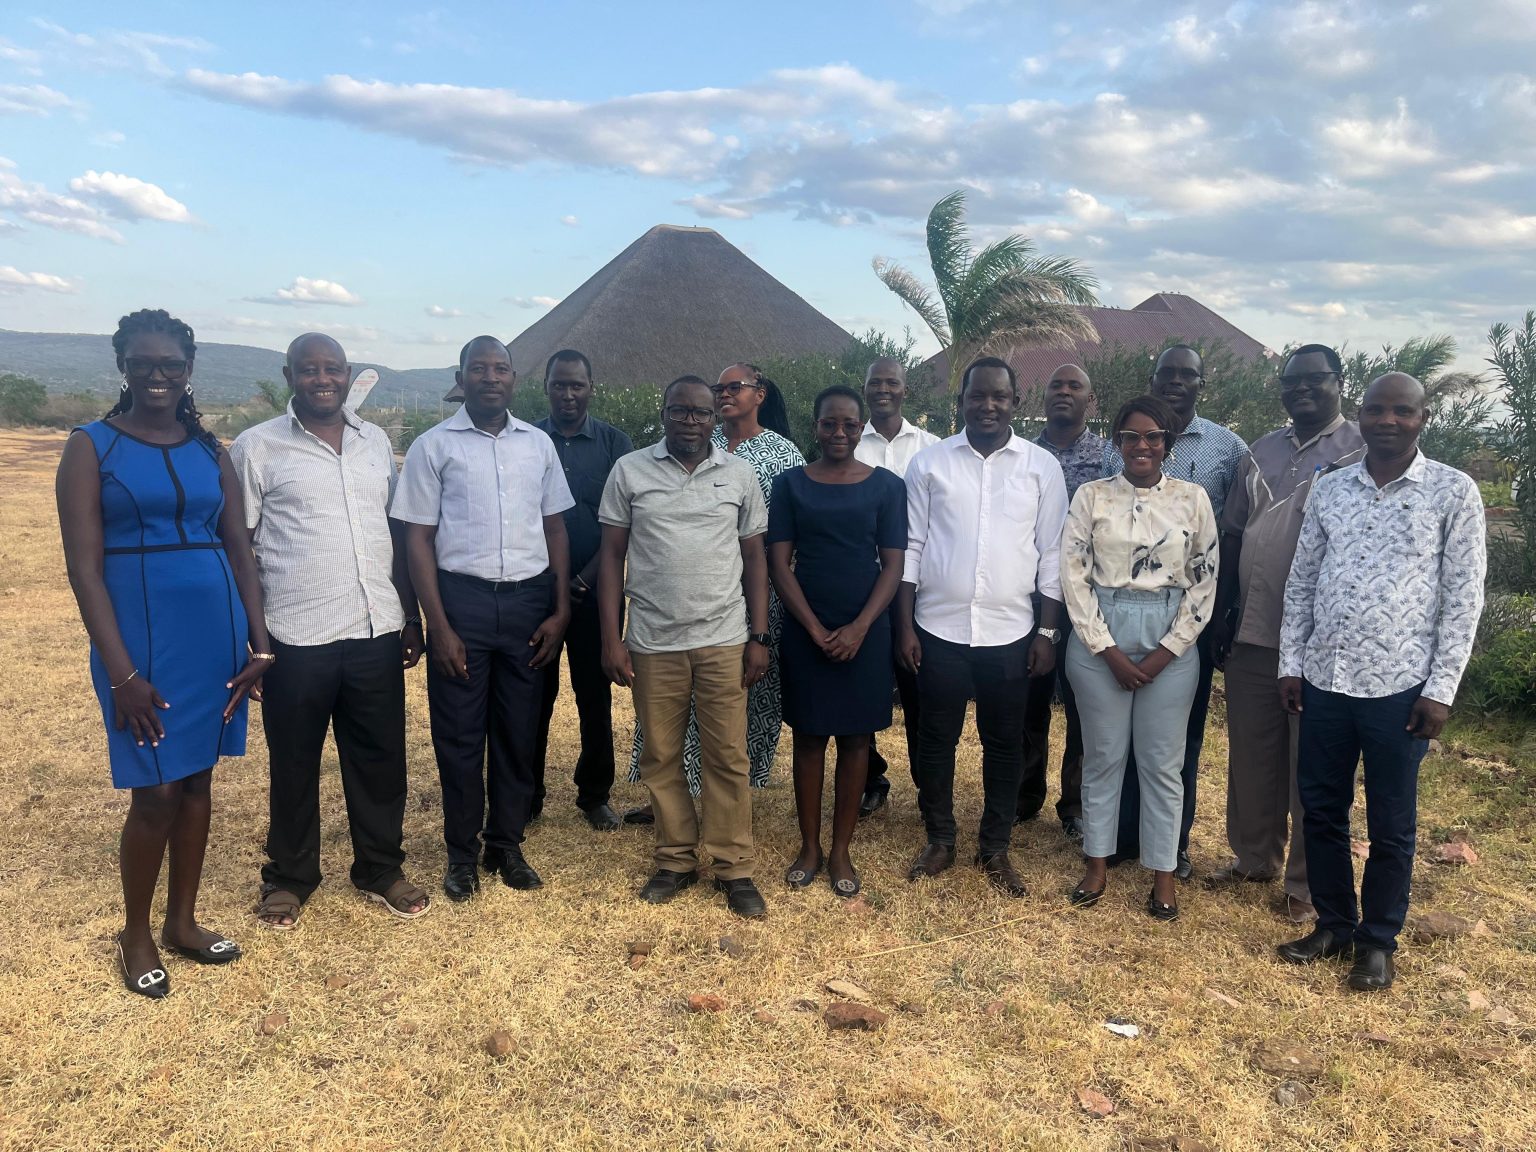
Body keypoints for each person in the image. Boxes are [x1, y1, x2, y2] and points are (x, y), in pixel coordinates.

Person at [57, 308, 269, 998]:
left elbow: (239, 549)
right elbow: (85, 569)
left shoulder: (211, 450)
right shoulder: (91, 446)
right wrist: (122, 675)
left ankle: (183, 922)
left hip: (215, 636)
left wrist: (261, 643)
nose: (158, 375)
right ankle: (136, 933)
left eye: (171, 365)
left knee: (198, 781)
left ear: (188, 370)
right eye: (143, 363)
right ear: (123, 367)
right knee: (156, 792)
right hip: (140, 642)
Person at [1277, 372, 1485, 991]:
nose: (1387, 421)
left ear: (1422, 418)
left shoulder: (1452, 491)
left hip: (1402, 686)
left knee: (1391, 822)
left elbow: (1463, 598)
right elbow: (1302, 581)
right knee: (1322, 810)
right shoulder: (1331, 488)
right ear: (1360, 415)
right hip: (1326, 677)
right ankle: (1335, 924)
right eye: (1376, 410)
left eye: (1402, 411)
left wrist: (1441, 689)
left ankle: (1377, 942)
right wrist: (1292, 663)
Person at [230, 332, 431, 930]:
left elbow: (393, 533)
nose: (323, 379)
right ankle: (290, 877)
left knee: (380, 760)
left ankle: (379, 868)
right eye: (310, 369)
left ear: (347, 374)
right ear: (289, 375)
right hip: (296, 637)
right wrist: (255, 639)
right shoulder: (257, 447)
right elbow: (238, 546)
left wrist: (409, 616)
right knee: (294, 763)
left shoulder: (376, 442)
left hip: (375, 629)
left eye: (333, 368)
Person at [392, 336, 573, 901]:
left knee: (519, 732)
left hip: (528, 605)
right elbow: (416, 540)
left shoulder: (538, 444)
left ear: (514, 378)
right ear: (461, 378)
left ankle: (506, 844)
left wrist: (561, 608)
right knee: (460, 736)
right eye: (479, 368)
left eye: (501, 368)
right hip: (461, 605)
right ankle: (461, 854)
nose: (491, 377)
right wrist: (437, 625)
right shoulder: (433, 447)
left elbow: (555, 528)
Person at [598, 377, 772, 919]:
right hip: (654, 641)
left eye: (700, 412)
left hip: (724, 638)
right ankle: (674, 859)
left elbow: (756, 558)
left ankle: (733, 865)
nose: (690, 421)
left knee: (728, 756)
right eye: (680, 411)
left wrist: (759, 636)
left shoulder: (739, 474)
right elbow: (611, 557)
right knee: (661, 755)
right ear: (664, 413)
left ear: (714, 418)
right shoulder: (629, 471)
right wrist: (611, 637)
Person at [1206, 345, 1364, 924]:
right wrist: (1223, 612)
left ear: (1339, 383)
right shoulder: (1260, 451)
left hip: (1321, 642)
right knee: (1252, 753)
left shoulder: (1362, 451)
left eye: (1314, 380)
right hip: (1253, 629)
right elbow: (1234, 533)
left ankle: (1305, 883)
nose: (1300, 390)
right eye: (1290, 381)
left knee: (1312, 763)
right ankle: (1254, 859)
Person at [898, 357, 1068, 897]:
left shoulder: (1042, 468)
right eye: (978, 396)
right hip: (938, 628)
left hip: (1011, 631)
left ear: (1015, 402)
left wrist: (1047, 633)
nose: (988, 405)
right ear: (962, 401)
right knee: (935, 738)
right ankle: (940, 839)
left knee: (1005, 743)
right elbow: (911, 548)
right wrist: (905, 627)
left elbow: (1052, 555)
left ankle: (995, 847)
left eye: (999, 396)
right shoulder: (929, 464)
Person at [621, 363, 804, 824]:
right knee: (671, 705)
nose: (724, 394)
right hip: (676, 603)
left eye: (734, 387)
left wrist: (761, 624)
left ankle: (728, 804)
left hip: (752, 597)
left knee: (735, 709)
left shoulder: (783, 454)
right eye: (719, 388)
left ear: (760, 394)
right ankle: (673, 801)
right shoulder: (700, 439)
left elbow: (782, 533)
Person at [1062, 395, 1219, 920]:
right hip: (1099, 635)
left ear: (1167, 443)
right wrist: (1105, 649)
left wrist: (1165, 654)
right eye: (1131, 436)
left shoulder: (1193, 499)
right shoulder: (1091, 496)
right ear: (1118, 441)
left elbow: (1204, 580)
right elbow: (1073, 575)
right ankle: (1096, 865)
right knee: (1103, 756)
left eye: (1153, 436)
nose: (1142, 446)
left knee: (1161, 763)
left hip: (1169, 637)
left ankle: (1163, 875)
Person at [1104, 344, 1246, 880]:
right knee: (1116, 737)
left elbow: (1230, 540)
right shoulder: (1118, 445)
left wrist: (1219, 616)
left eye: (1189, 375)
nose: (1177, 381)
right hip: (1118, 612)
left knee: (1176, 740)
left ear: (1202, 384)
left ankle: (1172, 845)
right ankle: (1121, 838)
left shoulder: (1229, 449)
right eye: (1168, 373)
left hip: (1189, 616)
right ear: (1153, 378)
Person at [767, 386, 907, 897]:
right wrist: (812, 628)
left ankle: (841, 849)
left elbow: (893, 566)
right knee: (808, 738)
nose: (840, 433)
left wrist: (860, 627)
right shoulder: (790, 485)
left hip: (865, 631)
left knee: (855, 740)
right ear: (816, 426)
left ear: (861, 427)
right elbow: (779, 563)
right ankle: (809, 846)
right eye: (830, 423)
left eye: (850, 424)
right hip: (807, 628)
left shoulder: (887, 487)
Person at [532, 349, 633, 831]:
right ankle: (527, 794)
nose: (568, 394)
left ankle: (594, 795)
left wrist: (584, 579)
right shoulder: (528, 441)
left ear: (592, 387)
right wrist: (556, 583)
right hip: (536, 593)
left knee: (594, 696)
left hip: (598, 593)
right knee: (534, 696)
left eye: (577, 385)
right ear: (546, 387)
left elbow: (625, 523)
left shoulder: (616, 444)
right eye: (559, 384)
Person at [1017, 363, 1106, 841]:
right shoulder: (1022, 456)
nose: (1064, 392)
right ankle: (1023, 795)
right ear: (1043, 396)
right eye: (1056, 385)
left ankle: (1074, 805)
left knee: (1082, 706)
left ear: (1090, 400)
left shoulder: (1109, 457)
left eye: (1075, 386)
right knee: (1028, 701)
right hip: (1030, 597)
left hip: (1089, 600)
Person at [855, 357, 939, 818]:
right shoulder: (848, 442)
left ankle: (930, 787)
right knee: (862, 687)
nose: (883, 389)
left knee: (920, 691)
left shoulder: (932, 448)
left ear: (905, 390)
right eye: (875, 383)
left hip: (917, 591)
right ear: (865, 389)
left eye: (892, 383)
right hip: (862, 586)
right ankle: (870, 779)